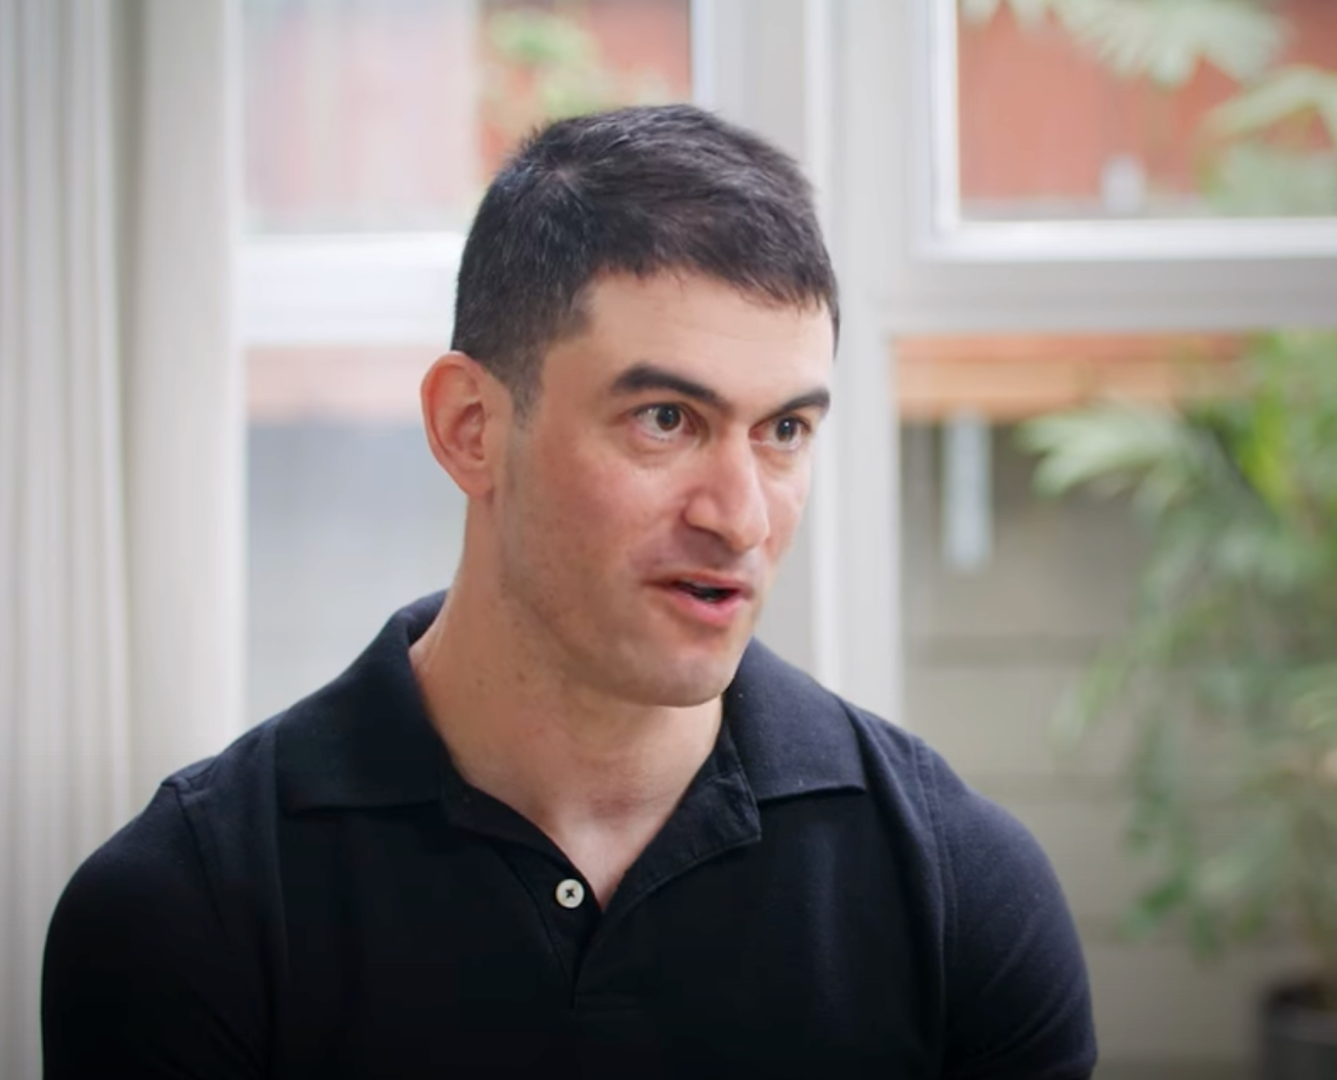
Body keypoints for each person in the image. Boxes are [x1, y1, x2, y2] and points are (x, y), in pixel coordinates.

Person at [42, 104, 1096, 1079]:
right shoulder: (185, 915)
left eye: (784, 430)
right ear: (471, 428)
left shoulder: (964, 894)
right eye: (666, 420)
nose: (741, 518)